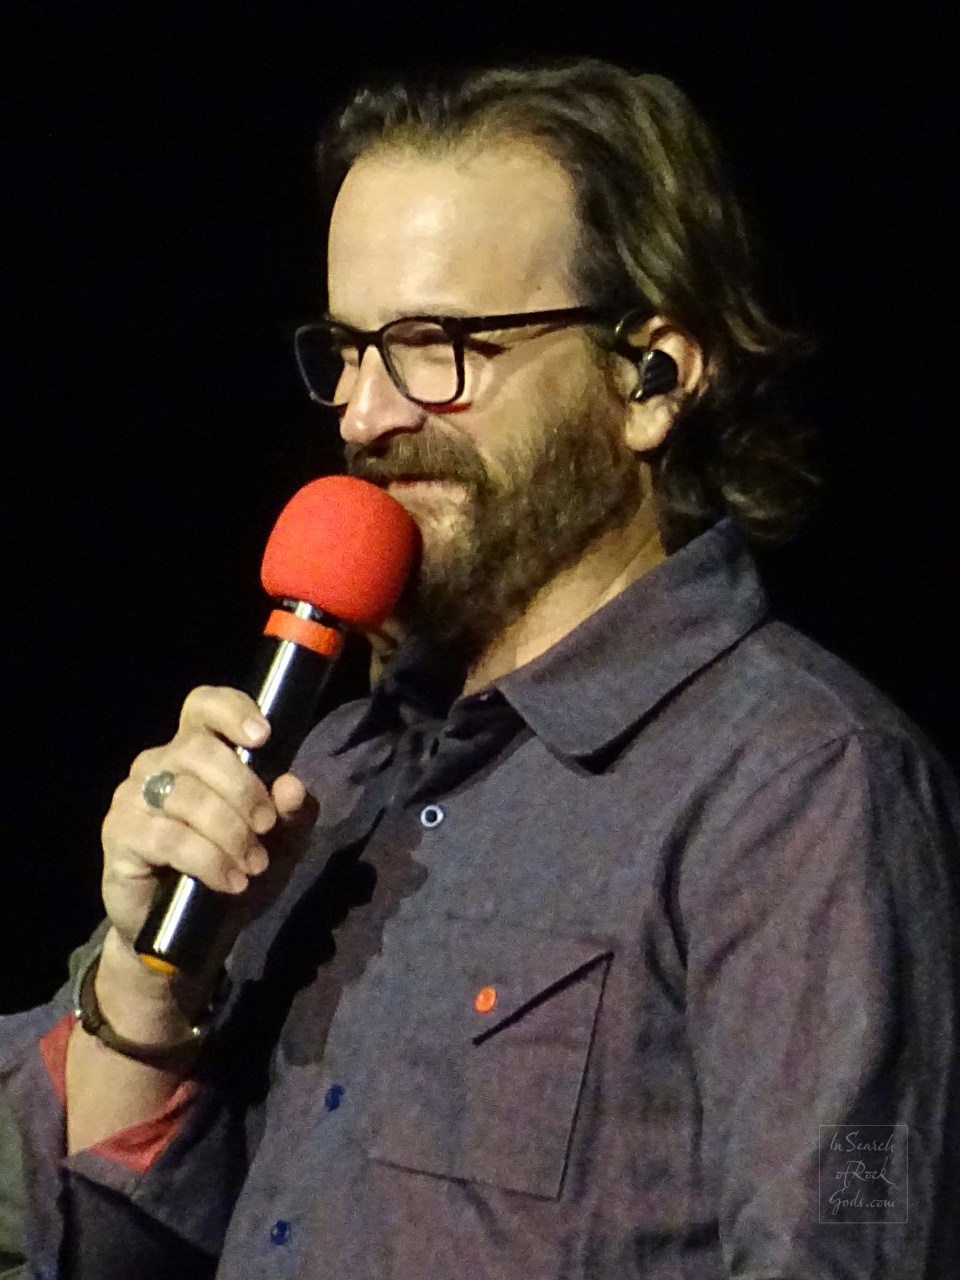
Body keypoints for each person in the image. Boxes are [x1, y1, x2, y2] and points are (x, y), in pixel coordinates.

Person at [1, 57, 958, 1280]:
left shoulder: (802, 786)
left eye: (435, 344)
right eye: (349, 349)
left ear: (650, 376)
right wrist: (146, 991)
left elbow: (854, 1226)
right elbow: (106, 1253)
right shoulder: (329, 766)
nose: (363, 415)